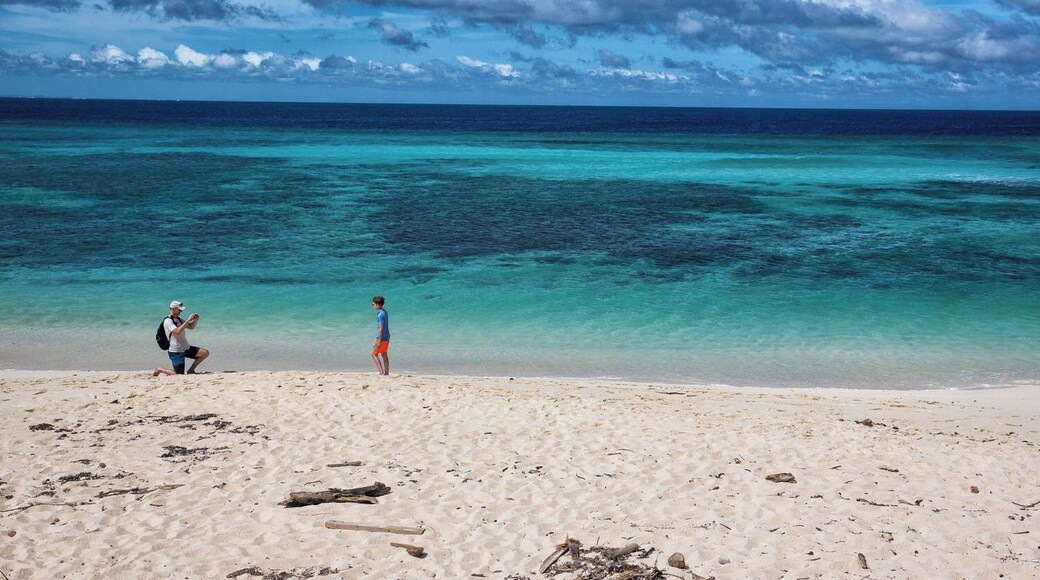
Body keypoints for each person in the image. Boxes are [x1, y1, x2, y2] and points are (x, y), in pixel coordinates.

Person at [152, 300, 210, 376]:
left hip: (186, 348)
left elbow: (191, 327)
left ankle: (191, 370)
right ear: (173, 309)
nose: (181, 311)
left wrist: (195, 320)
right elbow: (177, 331)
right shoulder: (167, 321)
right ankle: (160, 369)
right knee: (178, 374)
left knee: (205, 353)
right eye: (179, 309)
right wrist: (188, 320)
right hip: (176, 351)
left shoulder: (179, 318)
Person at [371, 296, 390, 375]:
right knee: (384, 353)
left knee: (374, 354)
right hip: (387, 336)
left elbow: (381, 328)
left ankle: (381, 372)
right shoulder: (384, 312)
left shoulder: (380, 315)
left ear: (377, 305)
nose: (373, 306)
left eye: (373, 304)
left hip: (380, 337)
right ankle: (386, 372)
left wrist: (379, 339)